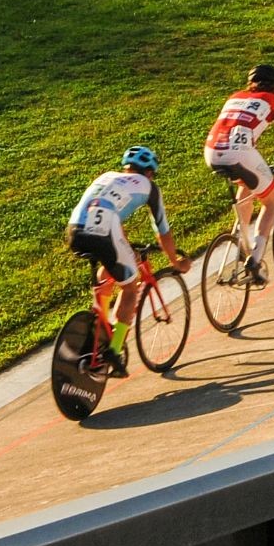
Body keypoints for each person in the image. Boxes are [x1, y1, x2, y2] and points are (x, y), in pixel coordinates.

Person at [66, 147, 182, 378]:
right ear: (150, 173)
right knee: (130, 287)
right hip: (104, 232)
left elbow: (110, 215)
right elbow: (163, 232)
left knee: (108, 270)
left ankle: (99, 320)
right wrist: (175, 260)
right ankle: (114, 350)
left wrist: (127, 250)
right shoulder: (150, 188)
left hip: (74, 231)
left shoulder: (105, 176)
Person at [205, 63, 274, 280]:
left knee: (246, 183)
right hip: (240, 153)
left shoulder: (234, 96)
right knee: (272, 201)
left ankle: (241, 238)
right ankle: (255, 259)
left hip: (211, 152)